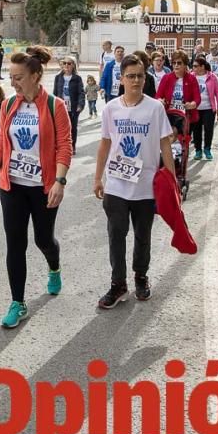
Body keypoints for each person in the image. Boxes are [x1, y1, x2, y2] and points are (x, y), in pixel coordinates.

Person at [0, 46, 73, 329]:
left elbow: (64, 146)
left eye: (19, 76)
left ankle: (54, 268)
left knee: (43, 240)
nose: (13, 82)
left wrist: (59, 181)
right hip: (14, 186)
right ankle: (17, 302)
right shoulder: (9, 105)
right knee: (15, 243)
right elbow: (0, 144)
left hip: (43, 186)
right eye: (11, 76)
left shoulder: (54, 106)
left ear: (35, 76)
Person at [94, 55, 176, 308]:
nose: (136, 80)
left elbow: (164, 142)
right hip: (117, 184)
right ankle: (118, 284)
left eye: (141, 76)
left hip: (146, 186)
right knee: (116, 235)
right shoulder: (111, 109)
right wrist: (98, 178)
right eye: (131, 76)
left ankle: (141, 276)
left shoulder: (155, 108)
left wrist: (171, 179)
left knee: (143, 236)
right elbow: (105, 142)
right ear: (121, 79)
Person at [157, 50, 202, 138]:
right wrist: (160, 100)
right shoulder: (166, 78)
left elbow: (197, 99)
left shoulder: (191, 79)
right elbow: (158, 95)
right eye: (174, 63)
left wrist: (192, 104)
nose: (176, 65)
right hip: (169, 114)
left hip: (186, 116)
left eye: (179, 63)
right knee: (170, 138)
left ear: (185, 65)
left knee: (182, 142)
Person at [191, 57, 218, 160]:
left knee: (208, 129)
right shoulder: (191, 76)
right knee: (196, 130)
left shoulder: (212, 77)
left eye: (196, 66)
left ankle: (207, 149)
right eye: (193, 66)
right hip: (195, 108)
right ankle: (198, 150)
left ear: (202, 66)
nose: (193, 68)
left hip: (209, 108)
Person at [53, 56, 85, 149]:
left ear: (73, 65)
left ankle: (72, 146)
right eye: (64, 63)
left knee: (72, 128)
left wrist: (80, 105)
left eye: (69, 63)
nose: (66, 65)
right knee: (60, 128)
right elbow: (55, 93)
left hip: (74, 107)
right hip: (61, 107)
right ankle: (61, 146)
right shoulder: (58, 77)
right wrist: (53, 105)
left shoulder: (77, 78)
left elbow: (81, 93)